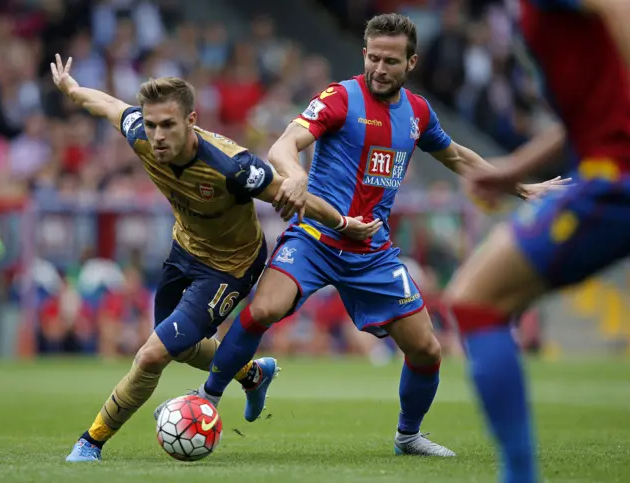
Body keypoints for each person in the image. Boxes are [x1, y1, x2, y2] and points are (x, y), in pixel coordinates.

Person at [189, 13, 567, 458]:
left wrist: (522, 187)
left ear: (411, 63)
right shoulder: (340, 97)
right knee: (265, 308)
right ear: (364, 54)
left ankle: (408, 436)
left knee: (427, 349)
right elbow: (284, 145)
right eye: (373, 57)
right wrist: (293, 177)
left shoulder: (418, 112)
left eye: (391, 60)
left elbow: (458, 157)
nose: (380, 68)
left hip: (372, 252)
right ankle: (207, 398)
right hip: (316, 237)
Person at [50, 55, 380, 462]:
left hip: (230, 267)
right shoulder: (140, 134)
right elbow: (106, 105)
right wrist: (70, 87)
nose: (157, 136)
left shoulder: (233, 167)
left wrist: (344, 222)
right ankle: (253, 374)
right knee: (182, 348)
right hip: (183, 249)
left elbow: (299, 198)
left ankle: (91, 441)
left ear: (191, 120)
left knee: (152, 354)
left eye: (168, 125)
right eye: (151, 125)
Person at [441, 0, 630, 481]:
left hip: (616, 177)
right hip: (605, 169)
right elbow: (590, 110)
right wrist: (514, 169)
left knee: (476, 299)